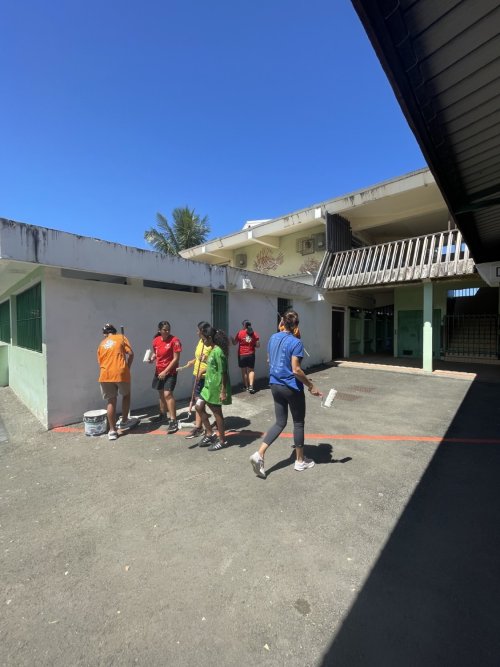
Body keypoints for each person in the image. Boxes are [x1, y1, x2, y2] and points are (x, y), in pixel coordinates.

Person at [249, 310, 321, 478]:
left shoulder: (273, 338)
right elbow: (296, 369)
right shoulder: (296, 342)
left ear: (282, 323)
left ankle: (259, 453)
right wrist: (311, 386)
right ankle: (300, 461)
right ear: (296, 325)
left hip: (275, 384)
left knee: (280, 422)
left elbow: (270, 360)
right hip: (291, 387)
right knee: (298, 423)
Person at [195, 325, 232, 451]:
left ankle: (222, 440)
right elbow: (213, 366)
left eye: (204, 339)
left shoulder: (218, 352)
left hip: (216, 387)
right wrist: (204, 366)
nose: (203, 341)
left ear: (210, 338)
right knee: (198, 406)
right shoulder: (213, 349)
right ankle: (210, 433)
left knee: (217, 414)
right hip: (207, 386)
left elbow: (223, 372)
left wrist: (223, 391)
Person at [97, 323, 135, 441]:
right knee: (126, 395)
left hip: (105, 374)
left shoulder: (101, 344)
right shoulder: (121, 337)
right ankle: (124, 420)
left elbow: (100, 362)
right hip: (120, 372)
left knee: (111, 401)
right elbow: (131, 354)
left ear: (105, 334)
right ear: (114, 331)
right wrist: (127, 367)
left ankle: (112, 431)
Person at [149, 321, 182, 434]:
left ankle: (173, 421)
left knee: (168, 394)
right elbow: (156, 353)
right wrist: (152, 358)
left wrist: (165, 371)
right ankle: (162, 415)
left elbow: (176, 359)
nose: (167, 331)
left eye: (168, 329)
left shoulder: (175, 341)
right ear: (159, 330)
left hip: (170, 372)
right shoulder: (156, 340)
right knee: (161, 393)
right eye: (164, 330)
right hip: (159, 371)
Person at [183, 320, 213, 439]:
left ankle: (209, 428)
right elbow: (199, 357)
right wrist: (193, 361)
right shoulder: (200, 341)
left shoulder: (211, 343)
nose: (196, 332)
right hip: (196, 375)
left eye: (198, 330)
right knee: (198, 403)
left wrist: (205, 363)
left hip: (206, 377)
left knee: (206, 403)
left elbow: (216, 361)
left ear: (203, 331)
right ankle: (199, 427)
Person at [231, 319, 260, 393]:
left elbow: (234, 343)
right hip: (251, 354)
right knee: (251, 370)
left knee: (244, 371)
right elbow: (258, 345)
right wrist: (252, 343)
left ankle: (245, 387)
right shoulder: (254, 333)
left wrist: (231, 338)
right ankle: (251, 386)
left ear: (244, 325)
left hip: (242, 355)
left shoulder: (240, 333)